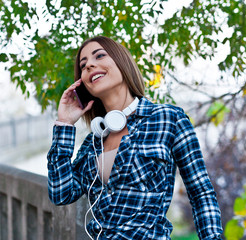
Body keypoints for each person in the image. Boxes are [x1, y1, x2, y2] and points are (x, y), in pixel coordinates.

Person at [47, 36, 223, 239]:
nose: (89, 65)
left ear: (122, 62)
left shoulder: (168, 118)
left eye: (100, 55)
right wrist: (65, 124)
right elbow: (60, 193)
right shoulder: (93, 143)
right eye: (83, 64)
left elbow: (201, 194)